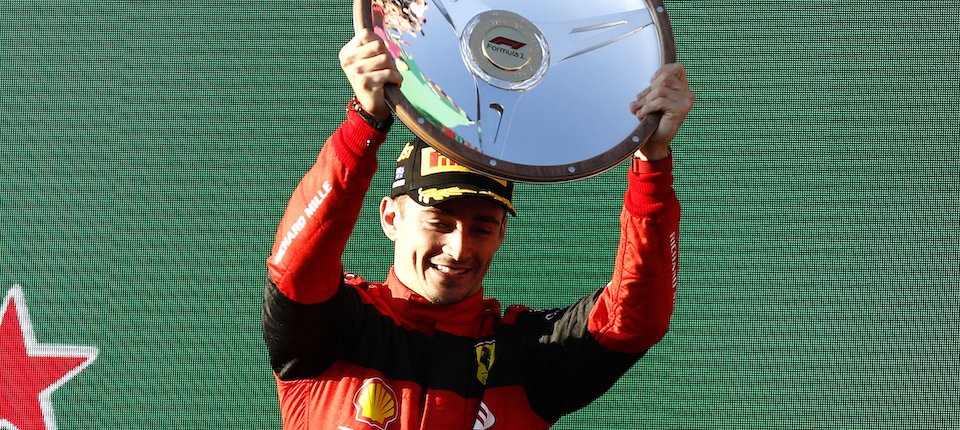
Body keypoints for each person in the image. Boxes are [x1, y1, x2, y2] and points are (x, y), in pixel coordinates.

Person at [262, 29, 695, 429]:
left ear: (502, 235)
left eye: (482, 227)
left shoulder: (527, 352)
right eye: (440, 221)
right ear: (391, 218)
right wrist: (364, 124)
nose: (459, 247)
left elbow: (635, 319)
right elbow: (296, 268)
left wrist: (651, 161)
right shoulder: (338, 325)